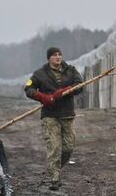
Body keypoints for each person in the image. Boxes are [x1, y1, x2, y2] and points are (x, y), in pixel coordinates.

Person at [24, 47, 84, 191]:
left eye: (59, 54)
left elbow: (80, 85)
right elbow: (28, 89)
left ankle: (55, 167)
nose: (58, 57)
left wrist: (66, 90)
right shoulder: (40, 74)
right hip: (50, 116)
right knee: (54, 147)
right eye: (54, 55)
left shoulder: (71, 70)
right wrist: (42, 97)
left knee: (68, 147)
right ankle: (54, 178)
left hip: (67, 114)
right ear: (49, 58)